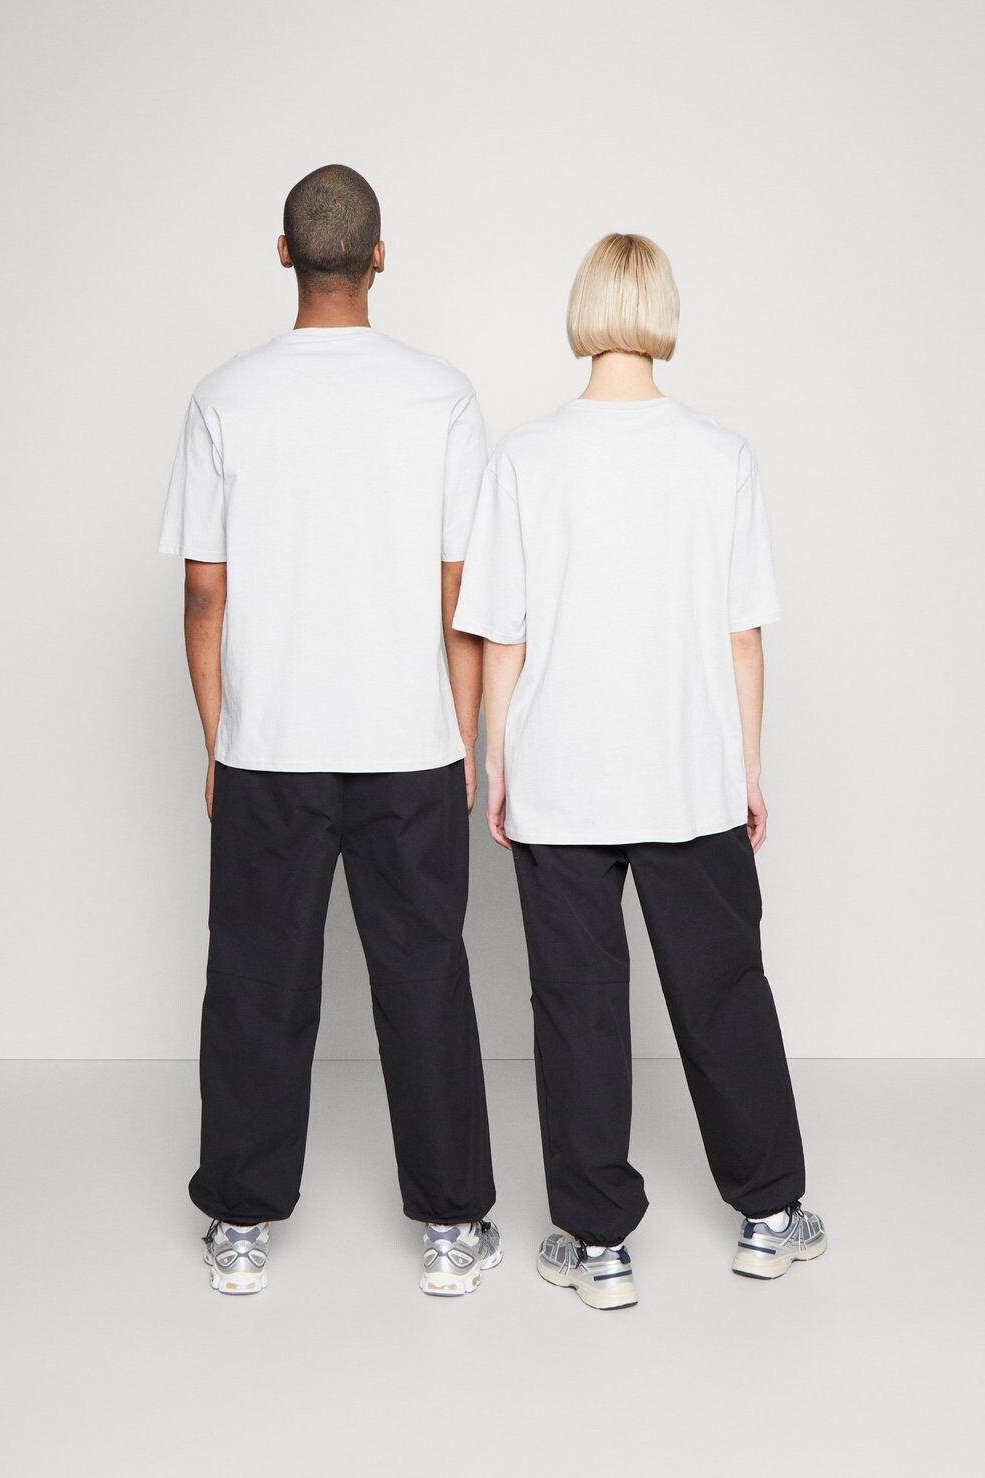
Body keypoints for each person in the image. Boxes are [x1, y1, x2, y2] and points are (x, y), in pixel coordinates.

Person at [453, 232, 826, 1310]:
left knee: (576, 1008)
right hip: (689, 772)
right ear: (663, 311)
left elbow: (501, 633)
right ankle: (769, 1216)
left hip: (561, 777)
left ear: (582, 310)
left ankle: (597, 1244)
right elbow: (742, 634)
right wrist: (747, 764)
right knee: (723, 994)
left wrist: (496, 758)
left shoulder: (524, 459)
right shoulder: (720, 455)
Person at [158, 164, 500, 1297]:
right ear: (379, 257)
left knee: (256, 984)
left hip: (269, 746)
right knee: (425, 978)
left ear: (284, 254)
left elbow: (204, 591)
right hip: (410, 744)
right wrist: (462, 737)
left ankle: (239, 1224)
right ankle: (452, 1227)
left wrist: (219, 736)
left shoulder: (225, 396)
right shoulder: (442, 396)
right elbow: (461, 589)